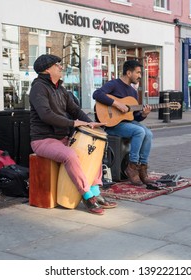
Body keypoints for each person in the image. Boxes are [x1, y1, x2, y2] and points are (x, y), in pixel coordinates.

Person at [29, 54, 117, 215]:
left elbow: (74, 110)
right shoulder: (38, 88)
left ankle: (96, 192)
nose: (61, 67)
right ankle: (87, 196)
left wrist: (89, 122)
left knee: (94, 150)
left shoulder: (60, 89)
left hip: (63, 138)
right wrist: (73, 123)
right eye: (57, 65)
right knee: (69, 155)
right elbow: (46, 115)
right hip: (43, 140)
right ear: (47, 69)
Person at [93, 60, 154, 186]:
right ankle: (132, 166)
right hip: (112, 125)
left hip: (126, 123)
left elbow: (134, 117)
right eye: (137, 73)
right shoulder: (114, 84)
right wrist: (116, 103)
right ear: (128, 72)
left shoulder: (133, 92)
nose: (140, 76)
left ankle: (142, 168)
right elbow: (97, 94)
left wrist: (143, 114)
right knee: (139, 131)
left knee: (148, 133)